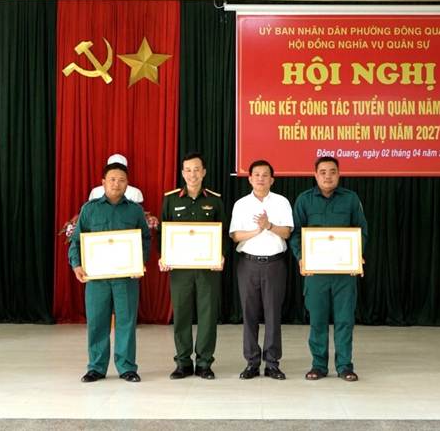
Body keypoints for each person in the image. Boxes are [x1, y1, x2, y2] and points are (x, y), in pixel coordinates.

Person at [69, 162, 150, 383]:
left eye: (121, 180)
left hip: (126, 278)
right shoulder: (89, 209)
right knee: (97, 322)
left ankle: (127, 368)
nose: (117, 184)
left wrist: (140, 262)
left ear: (127, 184)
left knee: (126, 322)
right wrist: (76, 265)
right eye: (112, 179)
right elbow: (76, 241)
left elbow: (145, 239)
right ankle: (96, 368)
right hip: (97, 279)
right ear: (103, 182)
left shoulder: (135, 210)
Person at [290, 156, 368, 382]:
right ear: (315, 175)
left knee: (345, 320)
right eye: (322, 172)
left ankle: (345, 366)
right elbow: (296, 234)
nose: (328, 176)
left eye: (332, 172)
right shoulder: (304, 200)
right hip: (316, 273)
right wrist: (301, 258)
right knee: (318, 320)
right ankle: (318, 365)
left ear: (339, 174)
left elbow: (362, 230)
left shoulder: (351, 199)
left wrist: (356, 256)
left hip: (344, 273)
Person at [159, 152, 225, 380]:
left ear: (203, 172)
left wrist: (221, 255)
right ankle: (183, 362)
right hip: (180, 270)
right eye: (188, 170)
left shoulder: (214, 200)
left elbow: (223, 232)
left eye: (197, 169)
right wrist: (163, 256)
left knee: (207, 315)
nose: (192, 174)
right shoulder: (171, 200)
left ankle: (205, 362)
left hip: (208, 269)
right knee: (182, 315)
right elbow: (163, 232)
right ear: (182, 173)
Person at [229, 160, 293, 380]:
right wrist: (256, 231)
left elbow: (287, 233)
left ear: (272, 179)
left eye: (265, 175)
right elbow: (235, 236)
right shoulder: (241, 204)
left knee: (273, 315)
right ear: (249, 178)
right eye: (256, 174)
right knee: (249, 314)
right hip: (248, 264)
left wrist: (269, 226)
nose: (260, 178)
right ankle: (252, 362)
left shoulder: (281, 202)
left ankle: (272, 363)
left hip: (274, 265)